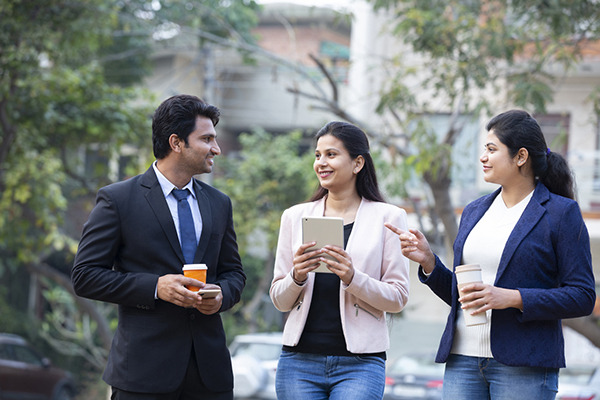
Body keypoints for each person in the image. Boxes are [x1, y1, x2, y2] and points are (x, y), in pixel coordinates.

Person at [385, 109, 596, 400]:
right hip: (462, 360)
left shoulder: (561, 213)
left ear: (521, 157)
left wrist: (512, 298)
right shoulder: (474, 211)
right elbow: (464, 297)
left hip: (523, 364)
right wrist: (429, 262)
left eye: (492, 149)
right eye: (484, 148)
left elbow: (583, 296)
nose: (483, 157)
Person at [71, 94, 245, 400]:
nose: (216, 149)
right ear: (176, 142)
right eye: (206, 139)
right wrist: (156, 287)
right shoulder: (118, 199)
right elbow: (85, 275)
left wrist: (222, 295)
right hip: (142, 374)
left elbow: (234, 273)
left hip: (210, 375)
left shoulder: (219, 203)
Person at [270, 121, 410, 400]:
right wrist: (296, 276)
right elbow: (279, 300)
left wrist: (353, 278)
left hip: (360, 364)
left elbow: (398, 298)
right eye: (317, 155)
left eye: (331, 154)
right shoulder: (294, 216)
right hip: (299, 362)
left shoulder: (389, 217)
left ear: (358, 163)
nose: (321, 162)